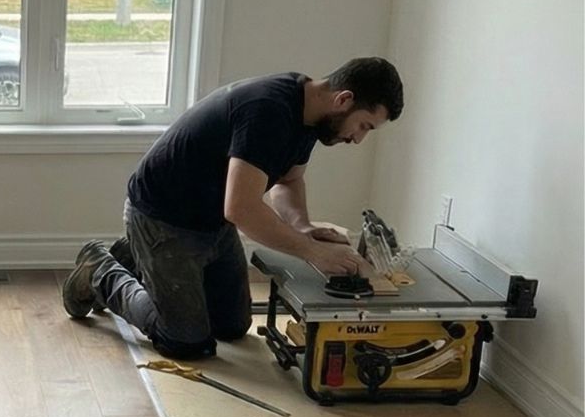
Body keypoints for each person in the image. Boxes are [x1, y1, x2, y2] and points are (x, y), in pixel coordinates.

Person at [62, 57, 404, 360]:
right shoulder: (268, 111)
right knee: (185, 340)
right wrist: (312, 252)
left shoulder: (311, 117)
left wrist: (301, 225)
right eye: (364, 126)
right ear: (343, 100)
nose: (358, 139)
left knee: (232, 327)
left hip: (211, 221)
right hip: (163, 217)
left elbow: (289, 181)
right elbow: (240, 209)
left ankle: (136, 254)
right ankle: (100, 269)